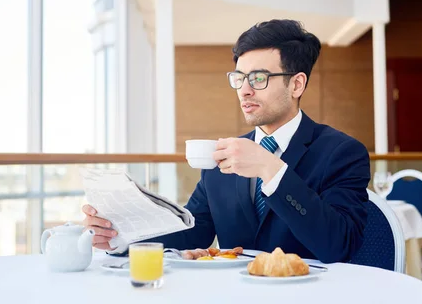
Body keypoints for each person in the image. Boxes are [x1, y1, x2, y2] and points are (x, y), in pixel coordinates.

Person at [83, 19, 370, 263]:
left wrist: (271, 170)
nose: (244, 90)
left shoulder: (342, 153)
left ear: (296, 84)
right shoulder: (222, 156)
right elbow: (193, 231)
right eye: (239, 77)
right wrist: (121, 237)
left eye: (258, 78)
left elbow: (339, 245)